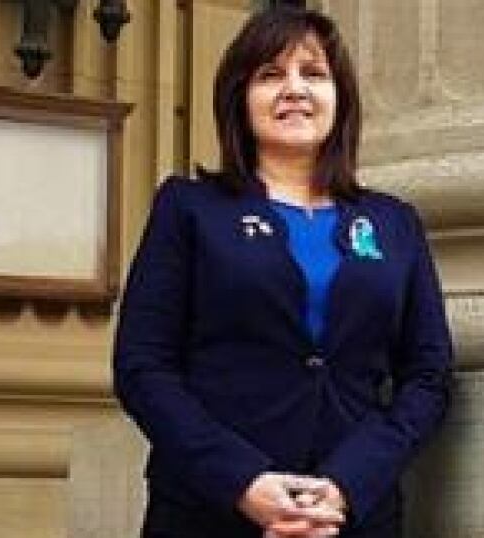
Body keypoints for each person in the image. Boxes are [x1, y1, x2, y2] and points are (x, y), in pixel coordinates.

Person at [113, 6, 453, 538]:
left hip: (350, 517)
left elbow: (429, 377)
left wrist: (348, 483)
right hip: (210, 511)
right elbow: (143, 366)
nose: (294, 89)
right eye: (270, 74)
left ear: (339, 99)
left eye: (313, 73)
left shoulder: (393, 223)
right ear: (239, 100)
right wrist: (240, 480)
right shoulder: (189, 209)